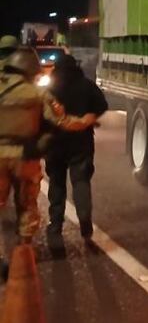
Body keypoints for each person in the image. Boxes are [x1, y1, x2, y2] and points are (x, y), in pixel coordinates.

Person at [0, 49, 96, 265]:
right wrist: (86, 121)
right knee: (27, 204)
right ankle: (23, 253)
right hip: (25, 156)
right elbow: (62, 121)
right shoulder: (39, 94)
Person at [45, 52, 107, 249]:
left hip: (55, 143)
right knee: (81, 182)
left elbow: (41, 114)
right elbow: (102, 104)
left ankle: (55, 228)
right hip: (81, 143)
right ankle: (85, 222)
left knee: (57, 184)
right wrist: (89, 117)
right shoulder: (86, 85)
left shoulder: (50, 88)